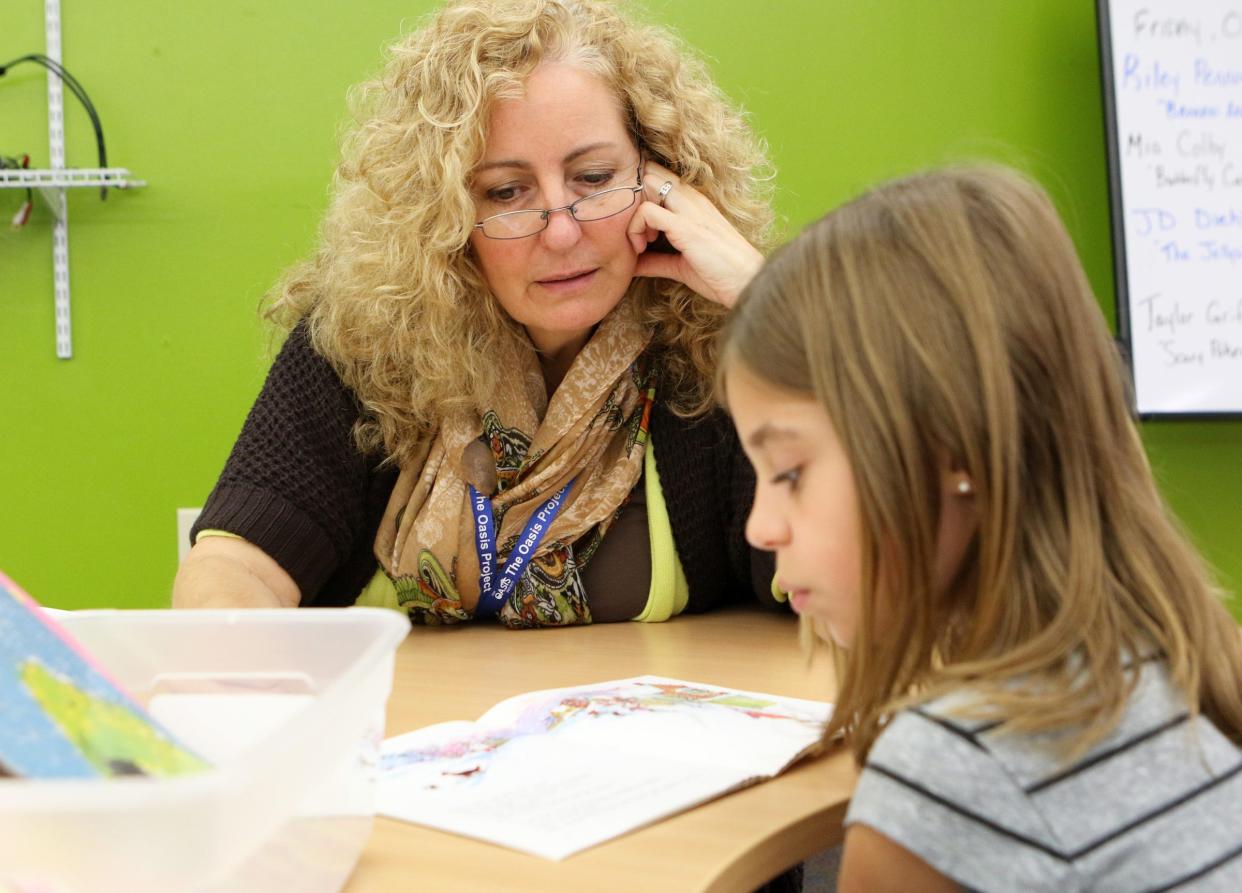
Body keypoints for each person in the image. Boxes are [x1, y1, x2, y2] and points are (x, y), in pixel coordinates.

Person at [172, 0, 785, 630]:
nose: (562, 232)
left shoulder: (715, 340)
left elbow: (859, 556)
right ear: (444, 216)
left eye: (594, 178)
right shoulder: (366, 339)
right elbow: (236, 564)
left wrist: (767, 300)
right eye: (506, 192)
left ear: (660, 179)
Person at [721, 165, 1242, 891]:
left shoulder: (949, 776)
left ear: (955, 453)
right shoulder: (1187, 660)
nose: (760, 527)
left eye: (790, 473)